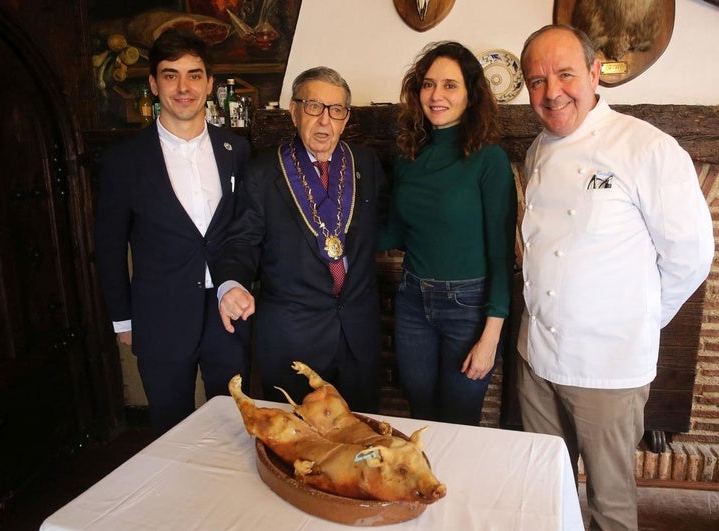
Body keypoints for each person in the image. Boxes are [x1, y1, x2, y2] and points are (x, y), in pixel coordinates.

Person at [517, 24, 714, 530]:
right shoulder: (539, 149)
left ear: (594, 72)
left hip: (607, 365)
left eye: (564, 74)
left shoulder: (647, 147)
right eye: (536, 80)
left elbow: (690, 256)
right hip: (536, 355)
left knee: (610, 502)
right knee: (545, 485)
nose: (552, 92)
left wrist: (637, 319)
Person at [95, 29, 252, 436]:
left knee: (237, 426)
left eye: (194, 75)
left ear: (210, 84)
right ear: (153, 83)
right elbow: (109, 248)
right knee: (170, 433)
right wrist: (122, 321)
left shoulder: (238, 151)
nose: (184, 87)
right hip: (159, 316)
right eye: (170, 75)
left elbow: (247, 232)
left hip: (228, 314)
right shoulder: (122, 161)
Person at [215, 67, 387, 413]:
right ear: (294, 111)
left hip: (359, 334)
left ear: (346, 117)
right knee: (297, 448)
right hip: (293, 340)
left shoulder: (366, 164)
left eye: (336, 110)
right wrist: (231, 284)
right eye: (313, 107)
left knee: (361, 440)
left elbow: (387, 225)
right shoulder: (263, 173)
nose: (325, 121)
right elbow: (242, 241)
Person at [378, 41, 517, 425]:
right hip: (412, 301)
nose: (436, 95)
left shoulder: (489, 159)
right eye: (428, 84)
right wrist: (328, 237)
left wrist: (490, 337)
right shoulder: (410, 155)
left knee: (459, 421)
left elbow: (502, 255)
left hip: (469, 309)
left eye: (450, 85)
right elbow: (392, 231)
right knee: (418, 413)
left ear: (471, 94)